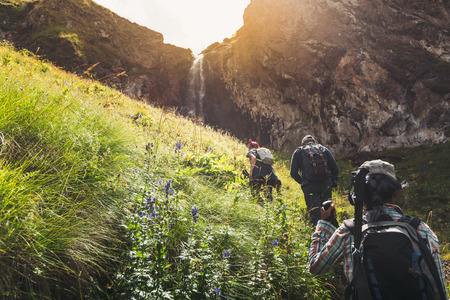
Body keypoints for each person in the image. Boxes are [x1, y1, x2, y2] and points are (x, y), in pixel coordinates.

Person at [308, 160, 448, 299]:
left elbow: (316, 267)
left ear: (359, 193)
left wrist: (324, 223)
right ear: (396, 192)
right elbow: (439, 287)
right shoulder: (421, 230)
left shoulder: (349, 231)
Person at [290, 135, 339, 225]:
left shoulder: (299, 151)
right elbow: (335, 168)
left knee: (315, 213)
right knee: (329, 211)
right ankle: (335, 234)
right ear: (314, 141)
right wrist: (333, 182)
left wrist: (303, 182)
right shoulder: (324, 149)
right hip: (326, 184)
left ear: (303, 143)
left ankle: (318, 235)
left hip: (310, 187)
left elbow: (293, 173)